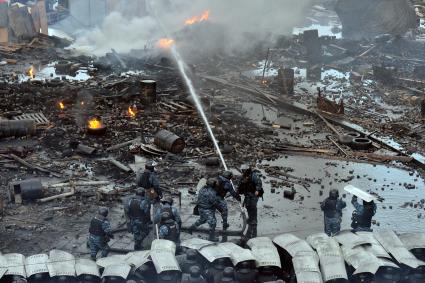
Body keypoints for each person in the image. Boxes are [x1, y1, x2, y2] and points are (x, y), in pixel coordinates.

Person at [237, 164, 263, 239]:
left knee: (253, 206)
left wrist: (257, 190)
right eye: (242, 170)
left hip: (254, 194)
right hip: (247, 194)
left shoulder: (253, 175)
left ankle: (254, 220)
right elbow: (240, 184)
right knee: (248, 205)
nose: (243, 171)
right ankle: (250, 218)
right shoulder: (243, 177)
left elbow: (259, 182)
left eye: (244, 170)